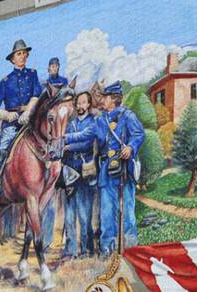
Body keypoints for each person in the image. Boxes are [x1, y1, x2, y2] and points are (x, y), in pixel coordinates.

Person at [66, 81, 144, 257]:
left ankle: (129, 246)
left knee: (127, 209)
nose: (102, 100)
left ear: (114, 99)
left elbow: (139, 134)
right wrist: (63, 137)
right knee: (107, 211)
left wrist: (131, 147)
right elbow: (83, 135)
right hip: (106, 170)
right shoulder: (100, 120)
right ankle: (107, 248)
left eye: (106, 97)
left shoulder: (127, 116)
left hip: (124, 169)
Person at [0, 39, 43, 199]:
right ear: (12, 58)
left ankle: (61, 174)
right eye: (19, 54)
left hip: (31, 120)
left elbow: (37, 94)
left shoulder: (33, 74)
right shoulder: (5, 81)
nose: (23, 56)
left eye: (25, 53)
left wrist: (28, 112)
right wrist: (8, 115)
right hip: (12, 123)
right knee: (4, 147)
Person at [61, 91, 97, 259]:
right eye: (78, 103)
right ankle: (70, 250)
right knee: (69, 216)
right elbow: (62, 145)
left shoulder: (93, 123)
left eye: (84, 102)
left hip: (84, 172)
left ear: (89, 104)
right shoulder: (71, 124)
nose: (80, 106)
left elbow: (86, 143)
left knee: (84, 215)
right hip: (70, 172)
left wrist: (69, 145)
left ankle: (87, 249)